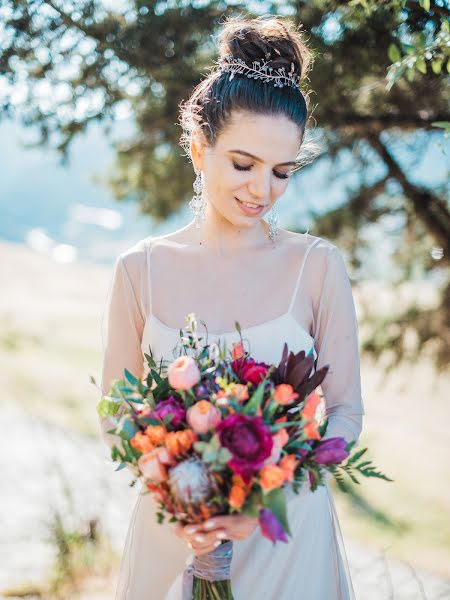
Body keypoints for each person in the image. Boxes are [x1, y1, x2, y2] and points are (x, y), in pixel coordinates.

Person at [100, 14, 365, 600]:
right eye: (243, 164)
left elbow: (344, 416)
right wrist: (180, 494)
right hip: (174, 534)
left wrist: (270, 497)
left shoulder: (316, 266)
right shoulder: (138, 269)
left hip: (285, 540)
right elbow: (115, 412)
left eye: (282, 171)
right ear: (199, 148)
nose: (261, 190)